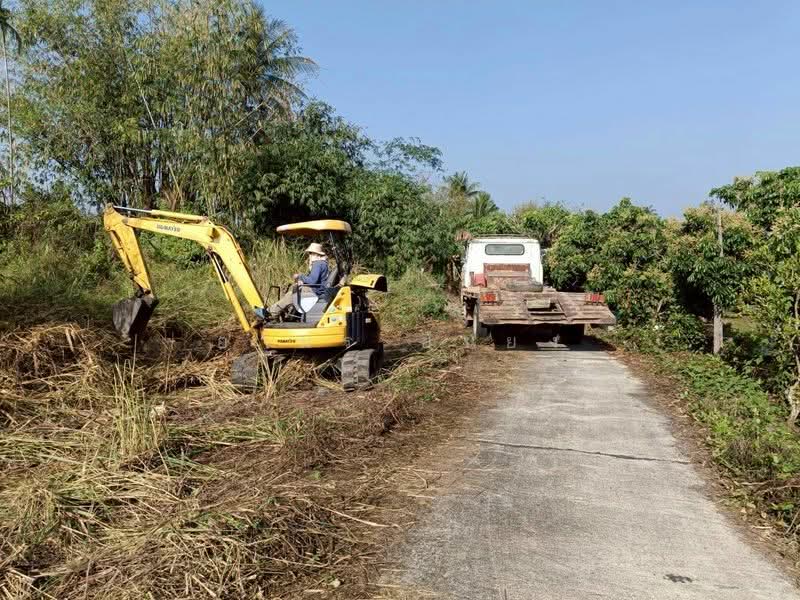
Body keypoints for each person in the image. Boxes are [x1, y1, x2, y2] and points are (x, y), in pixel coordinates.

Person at [267, 242, 330, 318]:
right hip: (318, 289)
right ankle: (287, 314)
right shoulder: (324, 264)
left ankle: (272, 312)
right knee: (292, 291)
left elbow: (313, 281)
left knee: (291, 295)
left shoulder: (317, 264)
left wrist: (300, 276)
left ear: (315, 254)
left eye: (310, 253)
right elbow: (315, 279)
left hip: (315, 291)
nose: (309, 255)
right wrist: (303, 281)